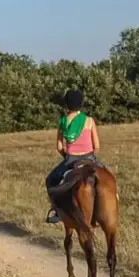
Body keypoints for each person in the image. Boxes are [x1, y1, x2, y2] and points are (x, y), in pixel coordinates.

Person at [44, 89, 101, 224]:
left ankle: (56, 211)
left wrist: (67, 156)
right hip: (90, 158)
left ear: (66, 104)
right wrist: (91, 156)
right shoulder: (89, 121)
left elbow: (59, 147)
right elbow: (97, 146)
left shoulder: (63, 121)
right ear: (81, 103)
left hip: (70, 159)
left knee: (51, 180)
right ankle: (113, 201)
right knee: (109, 178)